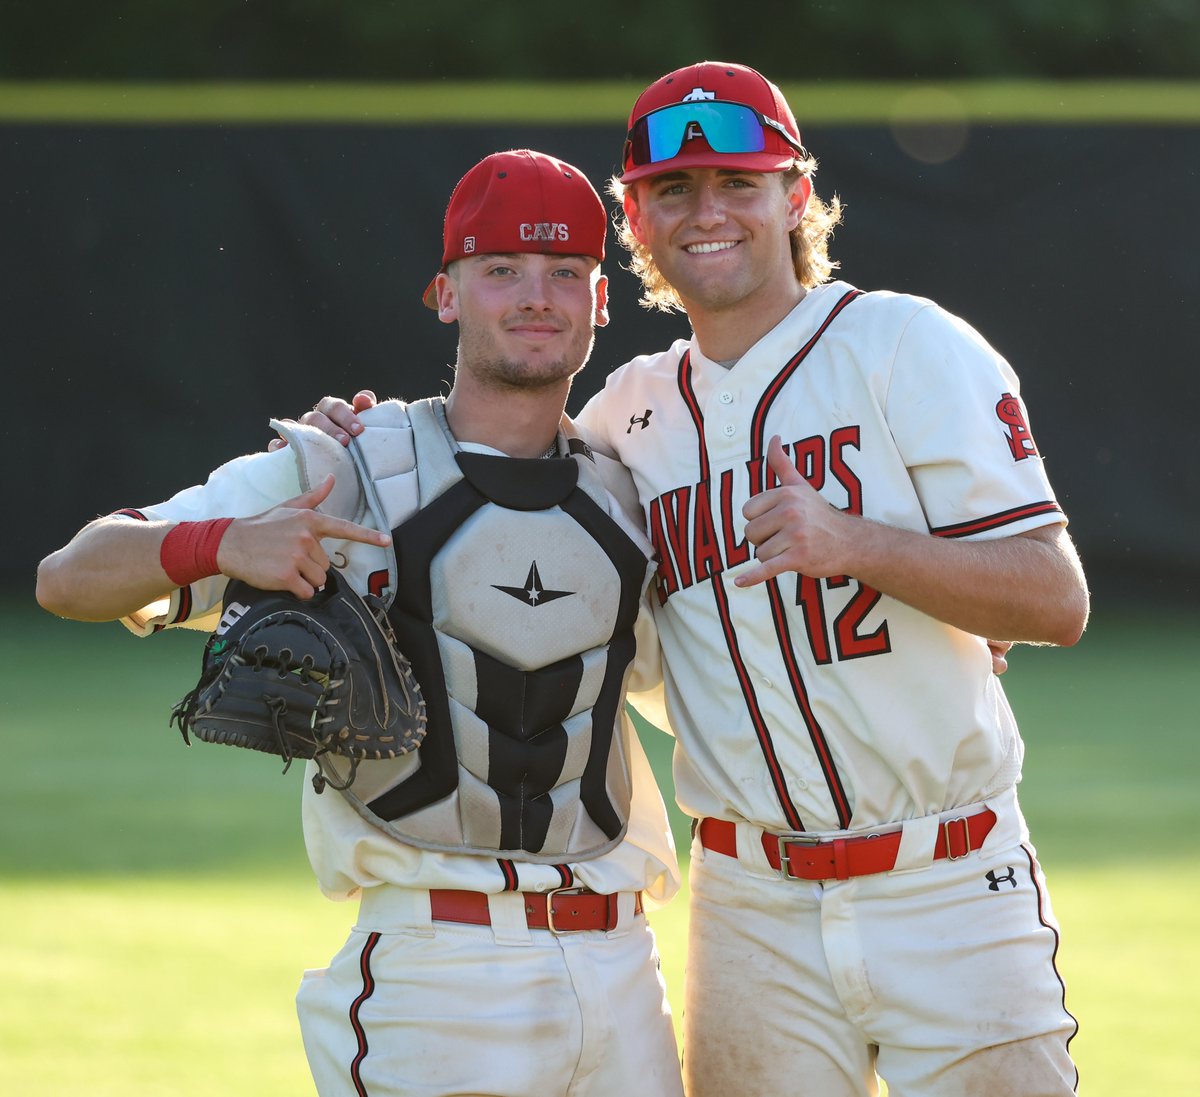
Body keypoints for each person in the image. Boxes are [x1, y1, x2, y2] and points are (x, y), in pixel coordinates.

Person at [306, 62, 1091, 1097]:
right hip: (749, 901)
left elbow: (1055, 595)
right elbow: (500, 486)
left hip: (949, 880)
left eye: (738, 181)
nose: (706, 210)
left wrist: (863, 545)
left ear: (796, 196)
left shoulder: (906, 346)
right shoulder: (626, 416)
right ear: (634, 216)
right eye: (672, 190)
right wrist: (357, 444)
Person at [35, 149, 685, 1097]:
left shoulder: (634, 491)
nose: (534, 296)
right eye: (500, 268)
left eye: (564, 272)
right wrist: (220, 544)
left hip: (623, 964)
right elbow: (70, 575)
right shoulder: (348, 467)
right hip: (434, 966)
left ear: (600, 300)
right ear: (445, 293)